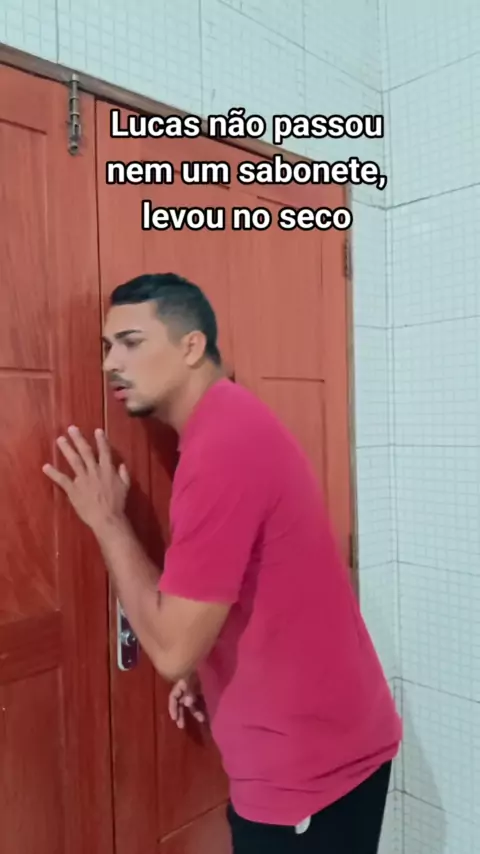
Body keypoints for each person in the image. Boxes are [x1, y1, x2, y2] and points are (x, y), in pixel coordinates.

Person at [43, 272, 402, 853]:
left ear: (191, 346)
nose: (111, 363)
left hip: (311, 775)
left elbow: (171, 651)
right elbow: (245, 587)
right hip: (324, 751)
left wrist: (107, 520)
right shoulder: (230, 422)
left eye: (131, 342)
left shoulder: (222, 450)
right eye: (107, 347)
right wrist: (206, 662)